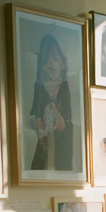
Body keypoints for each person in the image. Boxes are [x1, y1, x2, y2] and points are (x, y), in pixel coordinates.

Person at [28, 35, 72, 170]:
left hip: (61, 149)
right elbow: (34, 114)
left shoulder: (65, 88)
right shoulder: (38, 88)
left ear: (62, 64)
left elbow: (68, 121)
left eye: (55, 59)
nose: (51, 64)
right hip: (42, 147)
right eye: (46, 59)